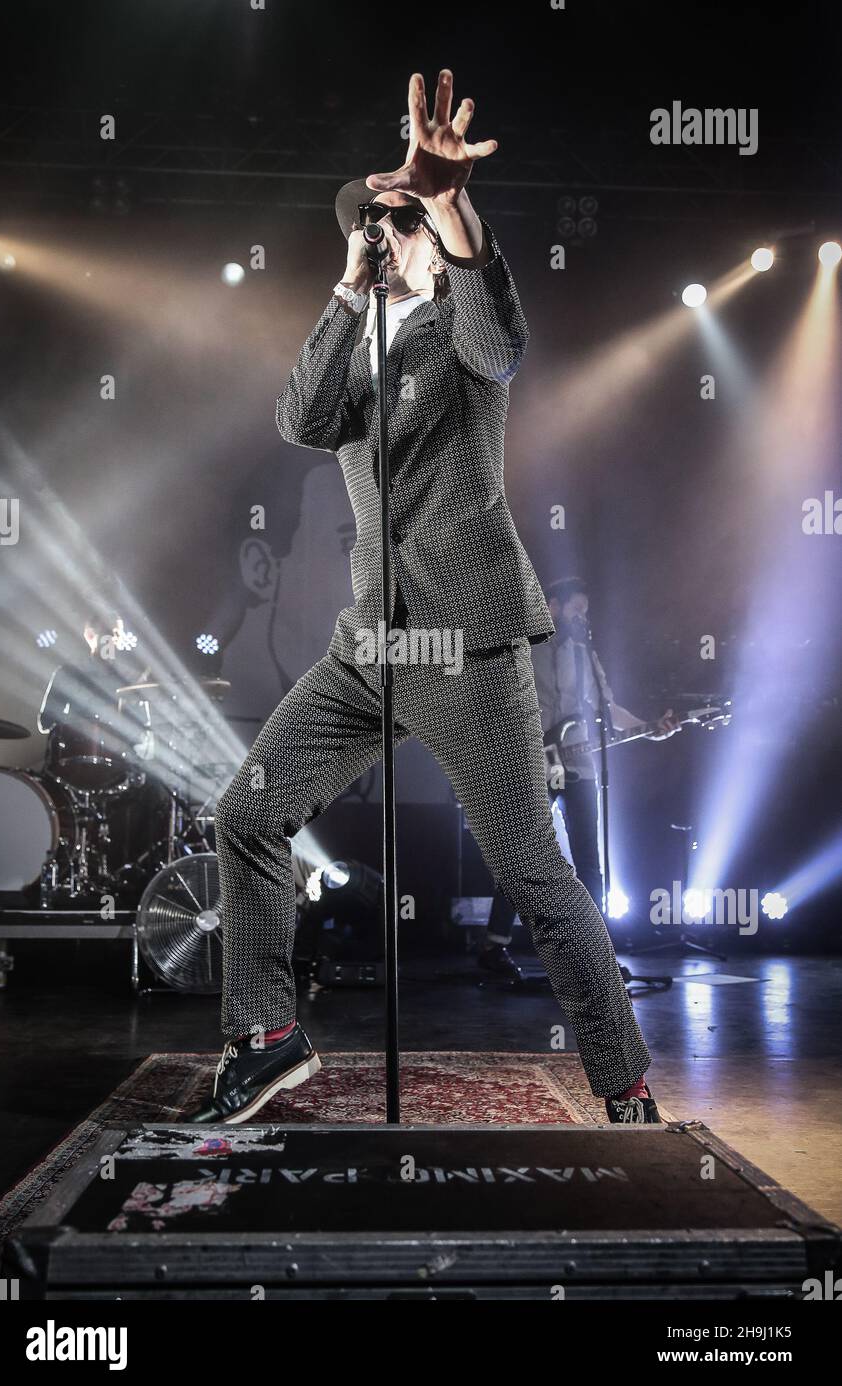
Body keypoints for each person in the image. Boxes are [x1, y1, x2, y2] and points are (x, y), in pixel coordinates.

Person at [192, 71, 660, 1126]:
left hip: (465, 644)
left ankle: (624, 1084)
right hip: (369, 648)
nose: (385, 229)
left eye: (399, 216)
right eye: (377, 217)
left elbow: (502, 339)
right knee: (247, 811)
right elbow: (300, 421)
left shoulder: (463, 334)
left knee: (532, 873)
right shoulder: (354, 342)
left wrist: (449, 210)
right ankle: (267, 1038)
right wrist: (344, 289)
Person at [480, 576, 679, 979]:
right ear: (552, 606)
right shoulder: (522, 647)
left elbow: (607, 707)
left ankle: (595, 957)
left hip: (580, 765)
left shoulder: (585, 654)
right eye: (576, 610)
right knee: (522, 858)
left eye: (585, 612)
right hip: (531, 762)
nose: (582, 618)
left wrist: (649, 725)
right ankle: (493, 947)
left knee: (590, 862)